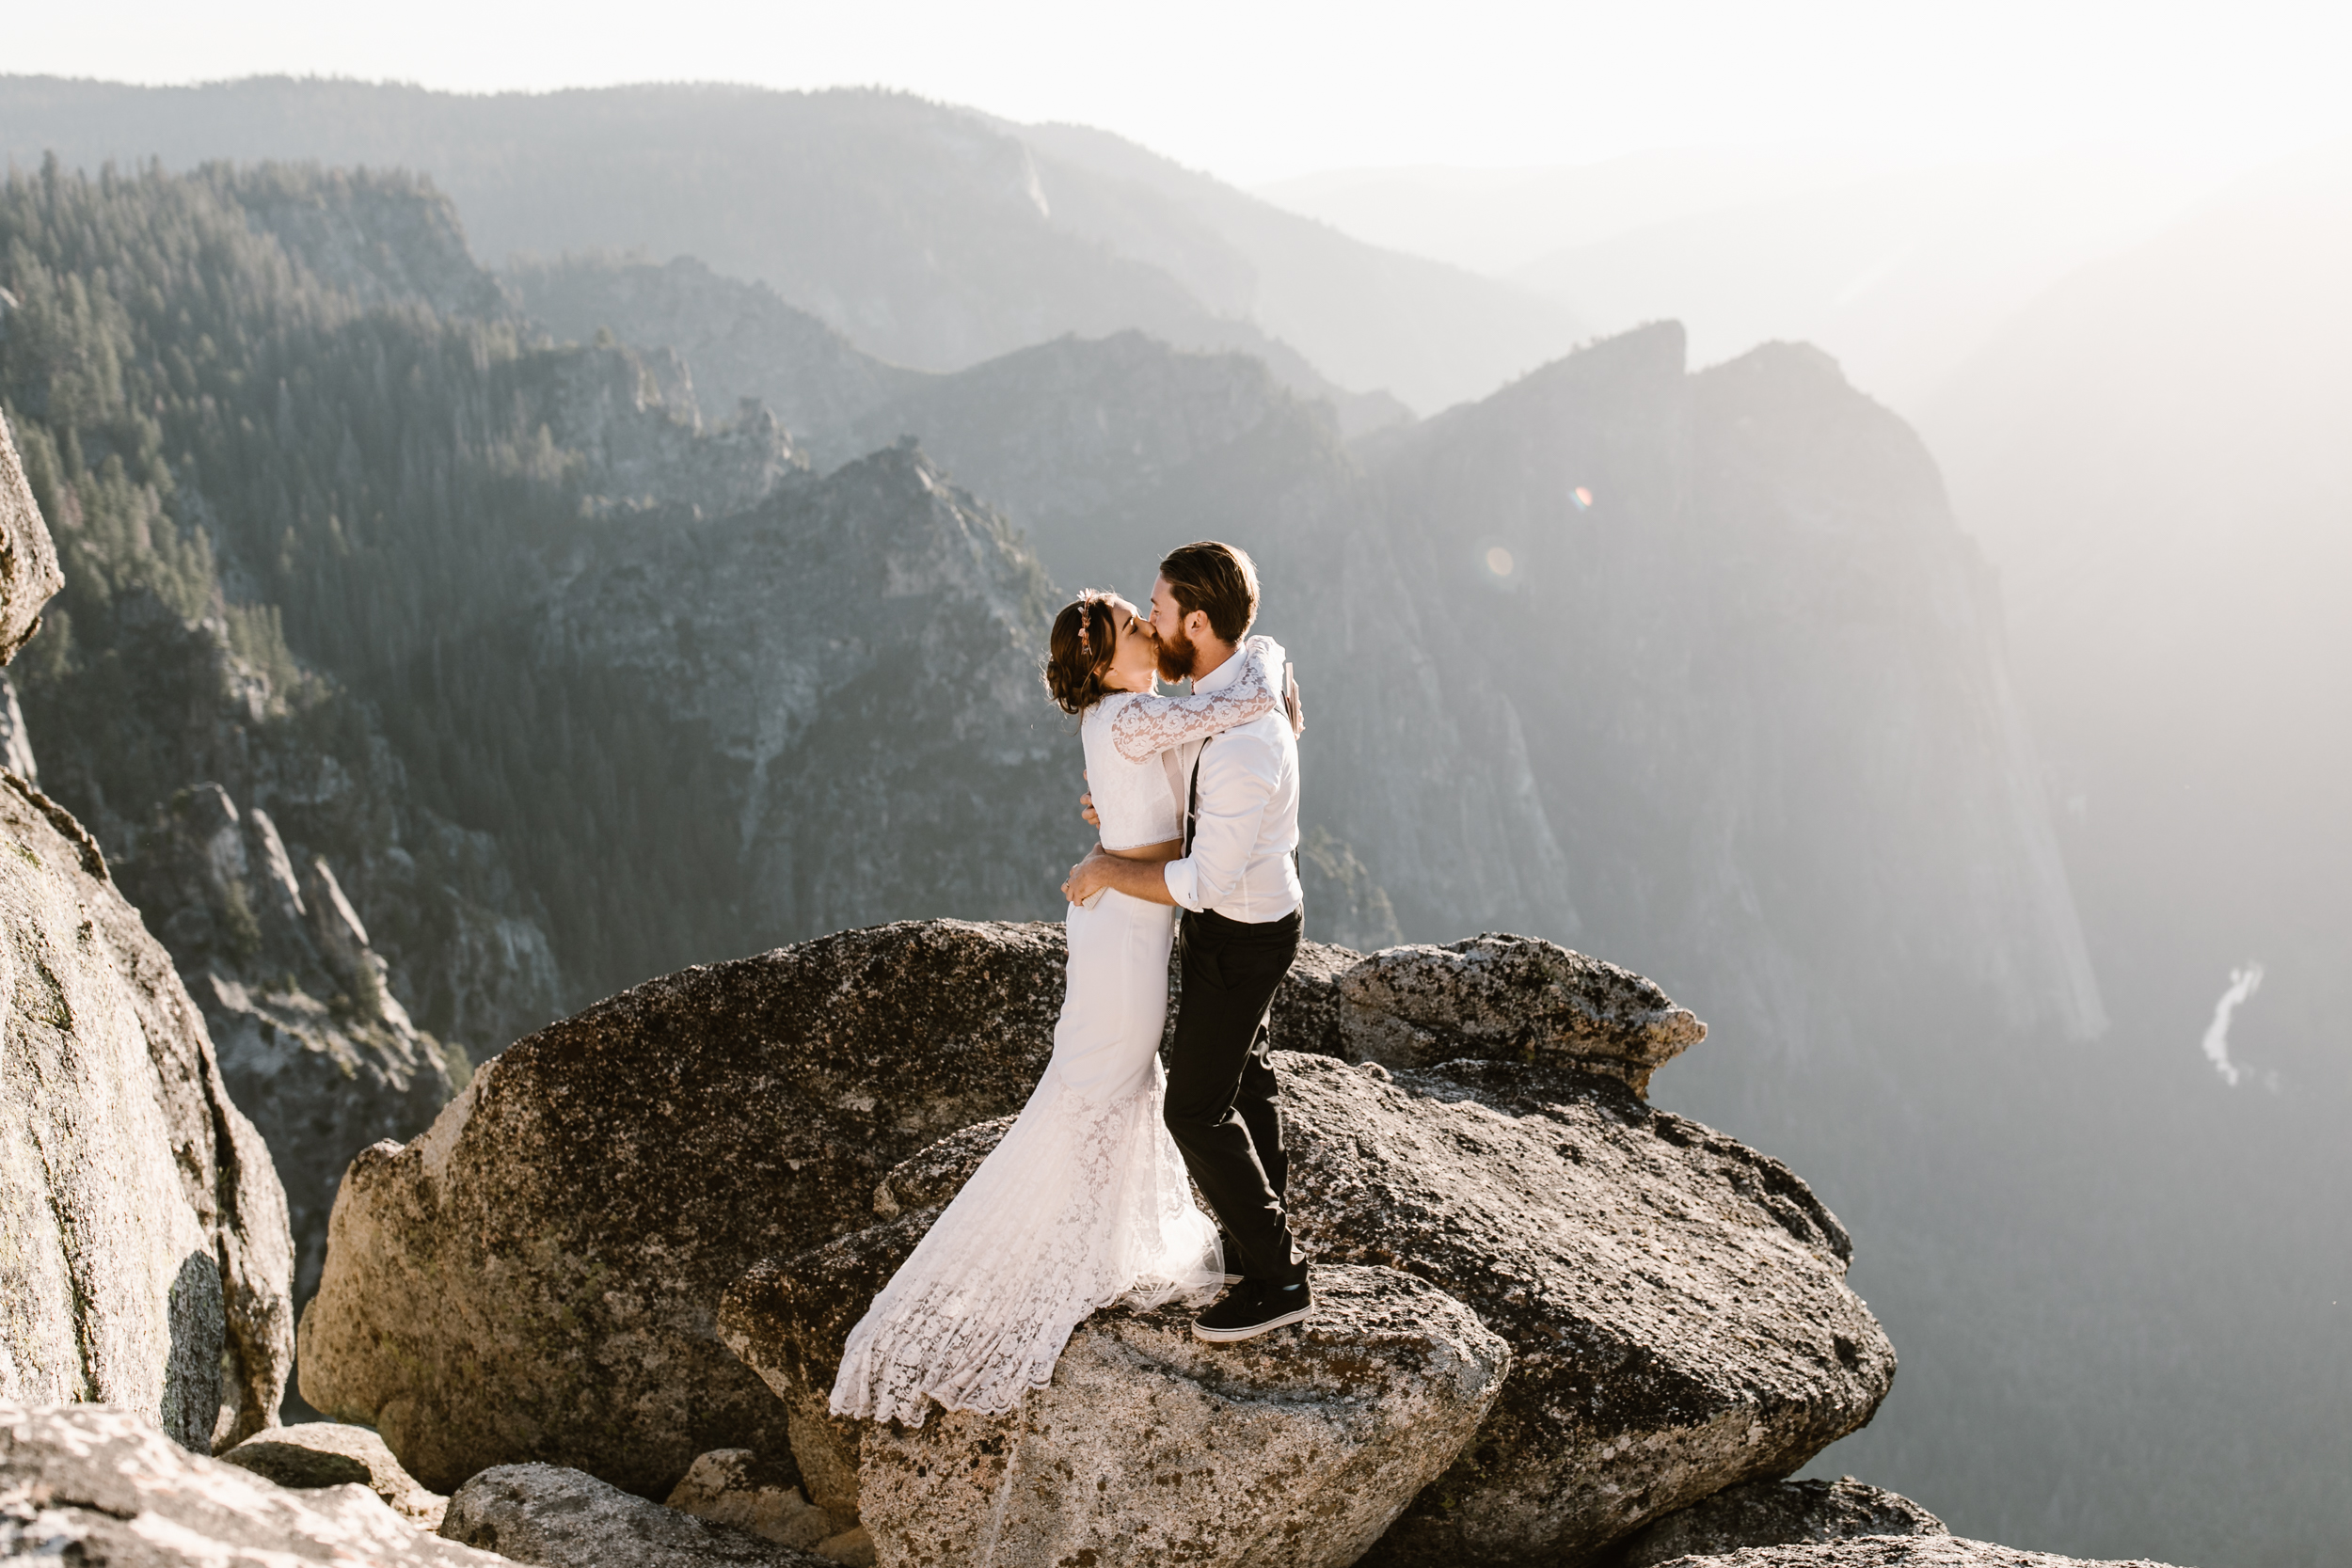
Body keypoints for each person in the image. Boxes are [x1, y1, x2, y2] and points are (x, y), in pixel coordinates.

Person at [829, 586, 1290, 1426]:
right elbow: (1250, 699)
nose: (1148, 626)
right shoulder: (1127, 716)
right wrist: (1272, 655)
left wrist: (1109, 840)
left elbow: (1159, 809)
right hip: (1124, 944)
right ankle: (1055, 1266)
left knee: (1110, 1090)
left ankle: (1084, 1256)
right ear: (1108, 663)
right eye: (1130, 623)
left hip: (1130, 926)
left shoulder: (1130, 713)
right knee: (1099, 1089)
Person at [1063, 541, 1311, 1343]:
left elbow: (1202, 879)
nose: (1152, 620)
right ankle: (1249, 1248)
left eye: (1159, 611)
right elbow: (1185, 763)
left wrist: (1107, 866)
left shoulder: (1244, 740)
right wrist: (1125, 813)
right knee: (1249, 1080)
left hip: (1241, 928)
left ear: (1195, 621)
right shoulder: (1227, 683)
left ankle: (1278, 1278)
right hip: (1234, 920)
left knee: (1195, 1110)